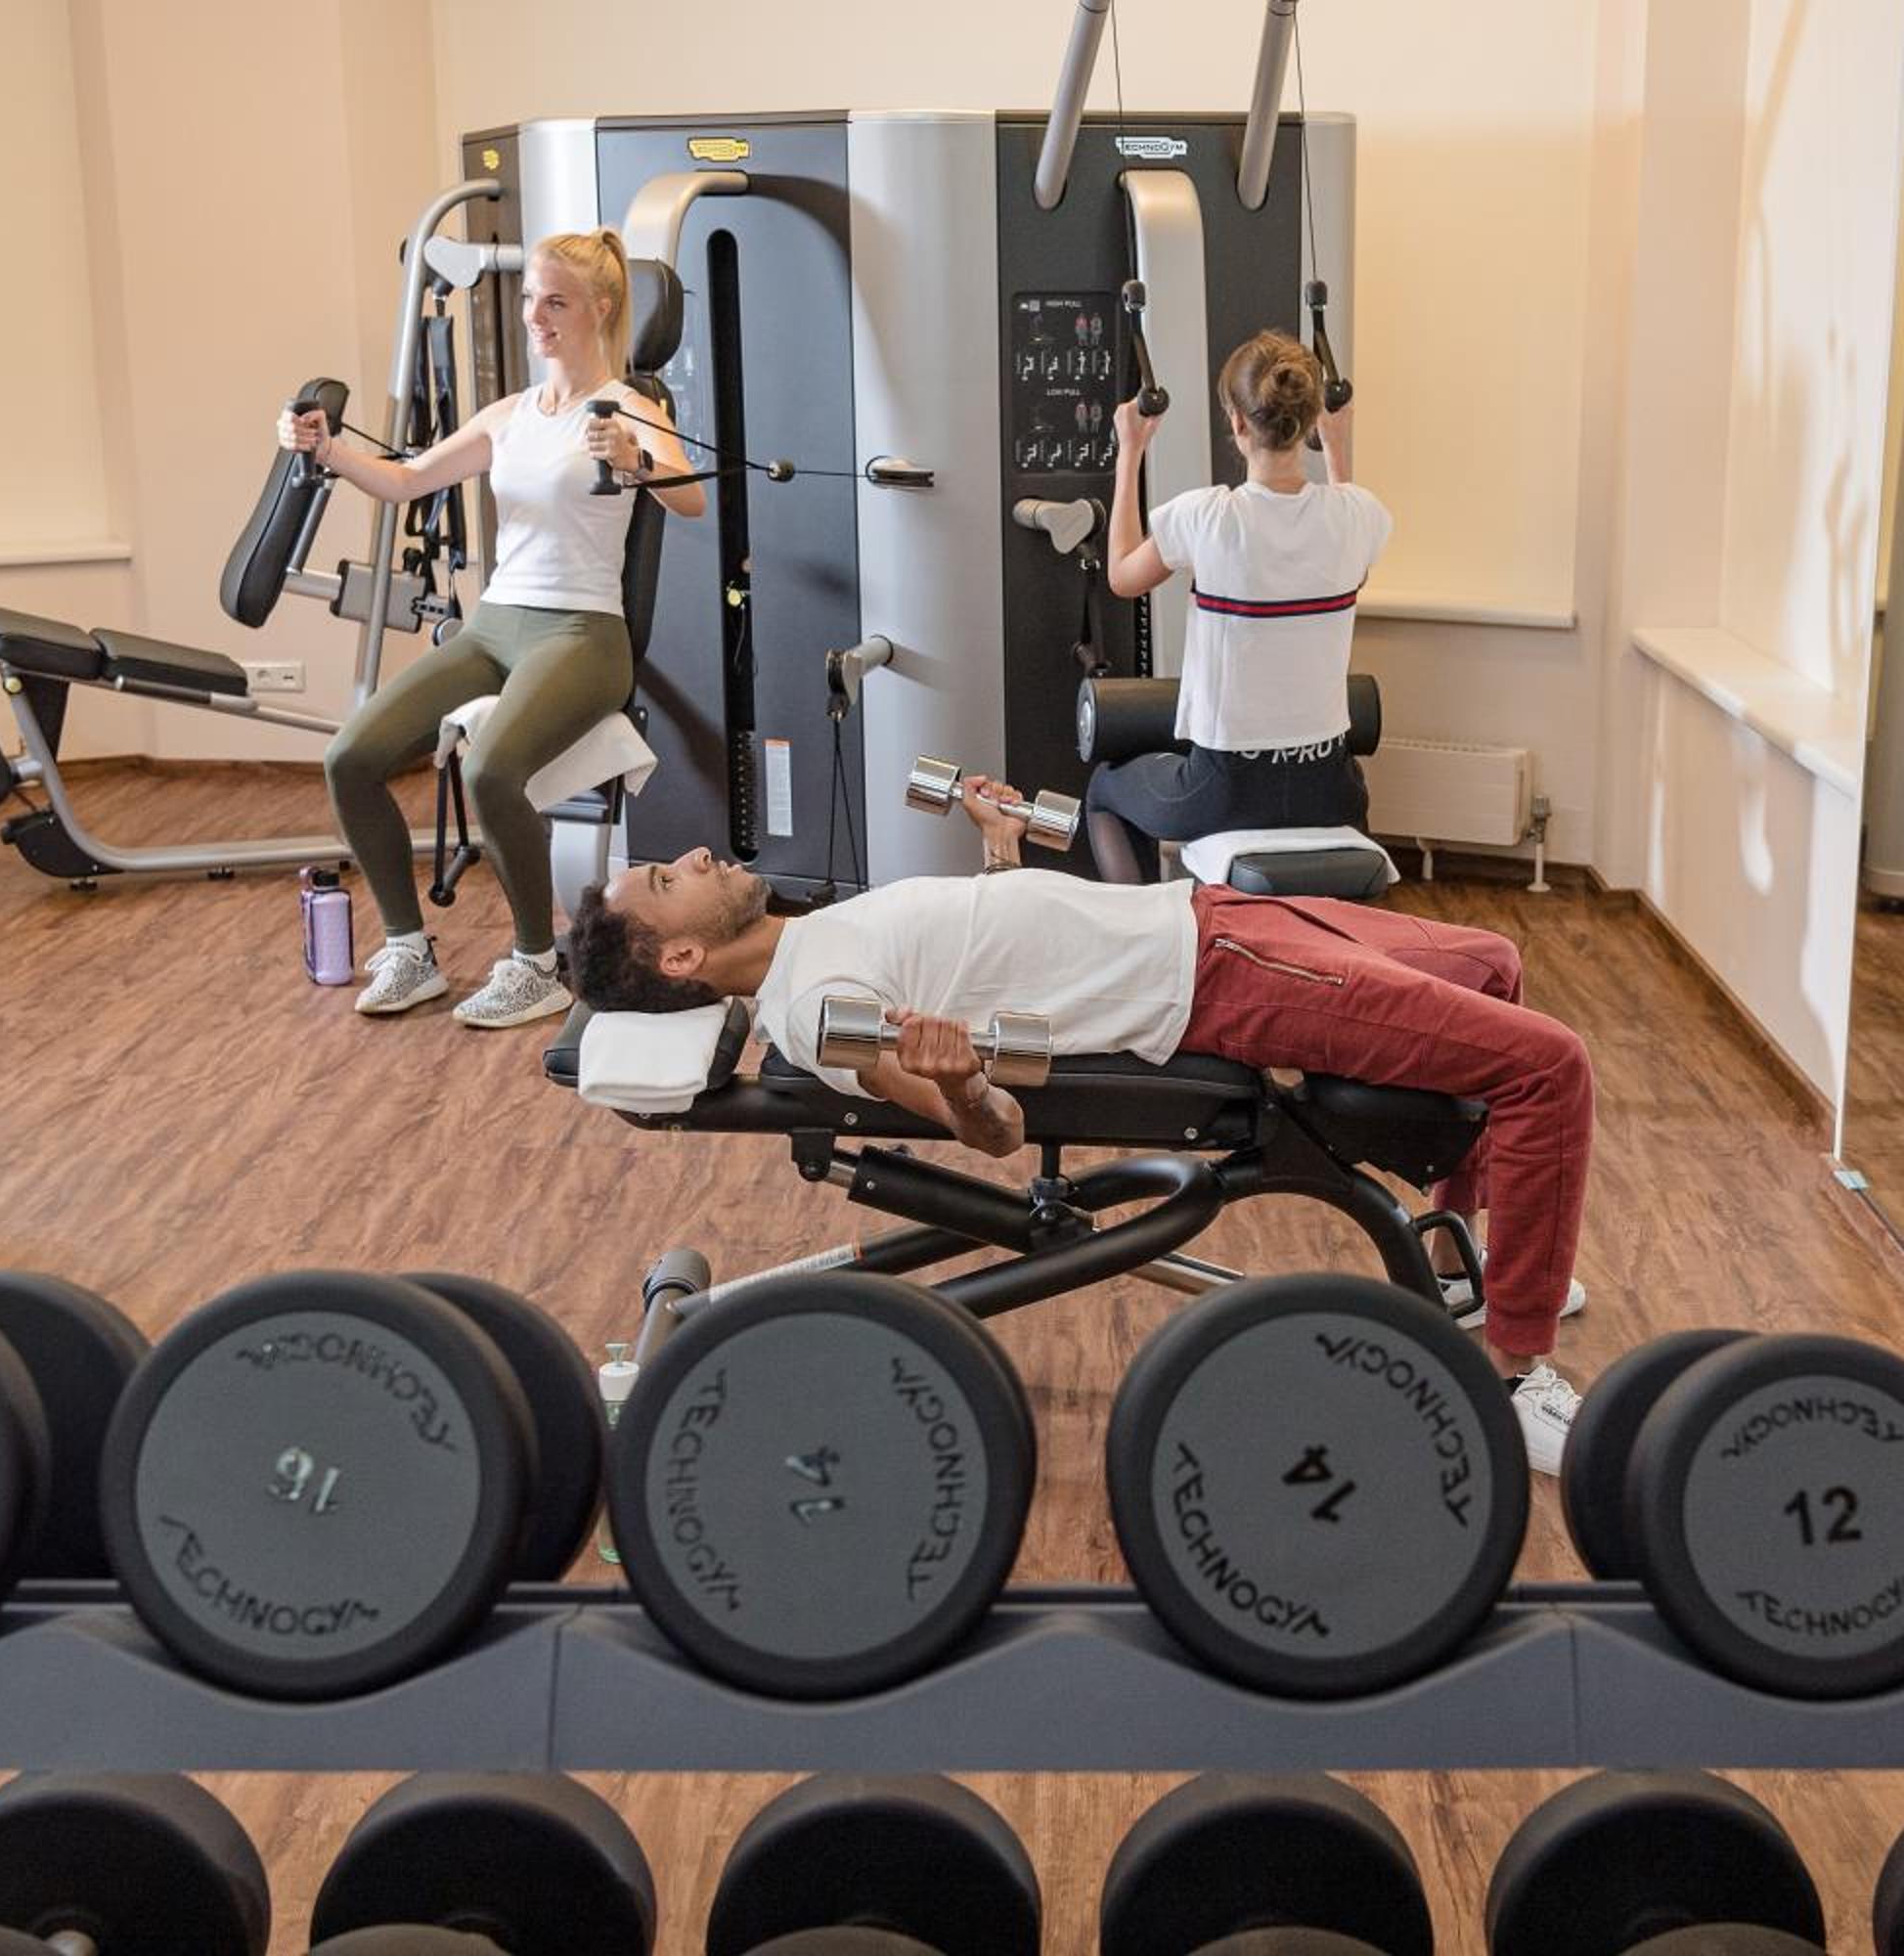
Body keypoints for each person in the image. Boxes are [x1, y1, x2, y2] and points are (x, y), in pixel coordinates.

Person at [563, 780, 1595, 1473]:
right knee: (1549, 1065)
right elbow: (994, 1134)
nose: (691, 854)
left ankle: (1455, 1271)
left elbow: (989, 949)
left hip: (1206, 916)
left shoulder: (811, 936)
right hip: (1213, 976)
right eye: (667, 881)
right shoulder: (815, 1007)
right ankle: (1509, 1373)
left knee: (1492, 965)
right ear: (681, 961)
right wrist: (962, 1085)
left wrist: (999, 849)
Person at [281, 230, 706, 1028]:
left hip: (582, 634)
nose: (535, 316)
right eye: (529, 299)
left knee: (489, 773)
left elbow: (691, 499)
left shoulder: (630, 410)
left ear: (600, 308)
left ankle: (536, 964)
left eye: (555, 302)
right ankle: (408, 951)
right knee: (350, 759)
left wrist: (635, 460)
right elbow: (406, 480)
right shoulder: (510, 415)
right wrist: (327, 448)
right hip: (494, 627)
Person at [1089, 331, 1389, 884]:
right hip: (1332, 790)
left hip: (1223, 791)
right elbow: (1356, 552)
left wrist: (1130, 451)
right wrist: (1337, 446)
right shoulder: (1356, 515)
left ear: (1237, 422)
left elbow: (1122, 576)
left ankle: (1146, 931)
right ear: (1311, 419)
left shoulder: (1208, 516)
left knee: (1104, 789)